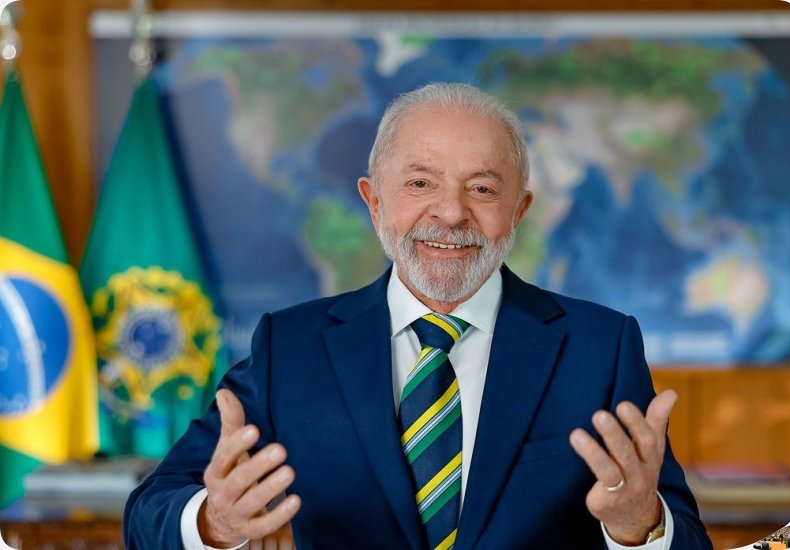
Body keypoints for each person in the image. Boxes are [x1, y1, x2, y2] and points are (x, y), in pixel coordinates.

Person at [123, 82, 712, 549]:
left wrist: (638, 527)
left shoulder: (599, 347)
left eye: (482, 189)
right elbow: (148, 514)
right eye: (421, 183)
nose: (450, 213)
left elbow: (685, 537)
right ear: (374, 201)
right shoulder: (290, 348)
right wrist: (215, 523)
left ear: (519, 209)